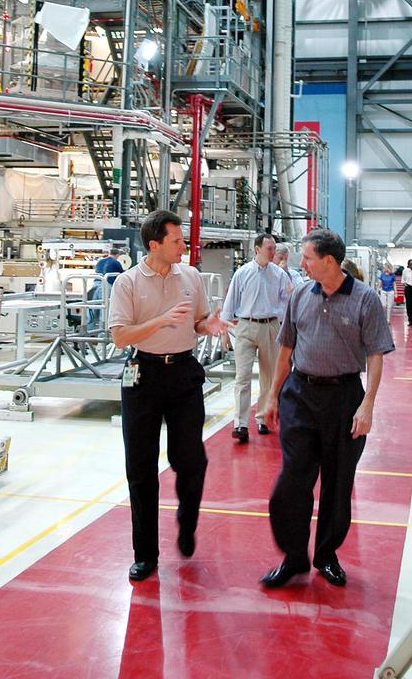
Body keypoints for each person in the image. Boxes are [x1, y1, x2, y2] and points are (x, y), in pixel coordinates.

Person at [258, 227, 394, 589]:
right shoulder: (301, 292)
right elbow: (286, 348)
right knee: (291, 481)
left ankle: (327, 555)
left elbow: (376, 354)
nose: (301, 263)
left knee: (337, 483)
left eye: (307, 258)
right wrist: (273, 395)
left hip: (344, 398)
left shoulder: (365, 300)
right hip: (300, 395)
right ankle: (293, 557)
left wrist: (367, 405)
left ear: (329, 261)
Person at [108, 209, 230, 582]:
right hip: (141, 374)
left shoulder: (191, 276)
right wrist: (161, 320)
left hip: (183, 374)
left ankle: (186, 520)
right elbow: (120, 336)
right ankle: (145, 554)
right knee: (141, 468)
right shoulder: (127, 283)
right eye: (177, 241)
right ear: (155, 244)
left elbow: (196, 320)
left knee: (191, 459)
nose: (185, 246)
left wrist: (208, 325)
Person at [221, 233, 291, 443]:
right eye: (269, 248)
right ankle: (240, 424)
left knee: (269, 377)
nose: (273, 252)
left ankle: (263, 418)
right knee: (242, 378)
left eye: (274, 248)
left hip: (271, 326)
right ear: (257, 249)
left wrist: (287, 331)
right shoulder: (242, 273)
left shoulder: (279, 275)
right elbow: (230, 303)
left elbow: (288, 304)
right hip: (245, 326)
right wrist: (225, 332)